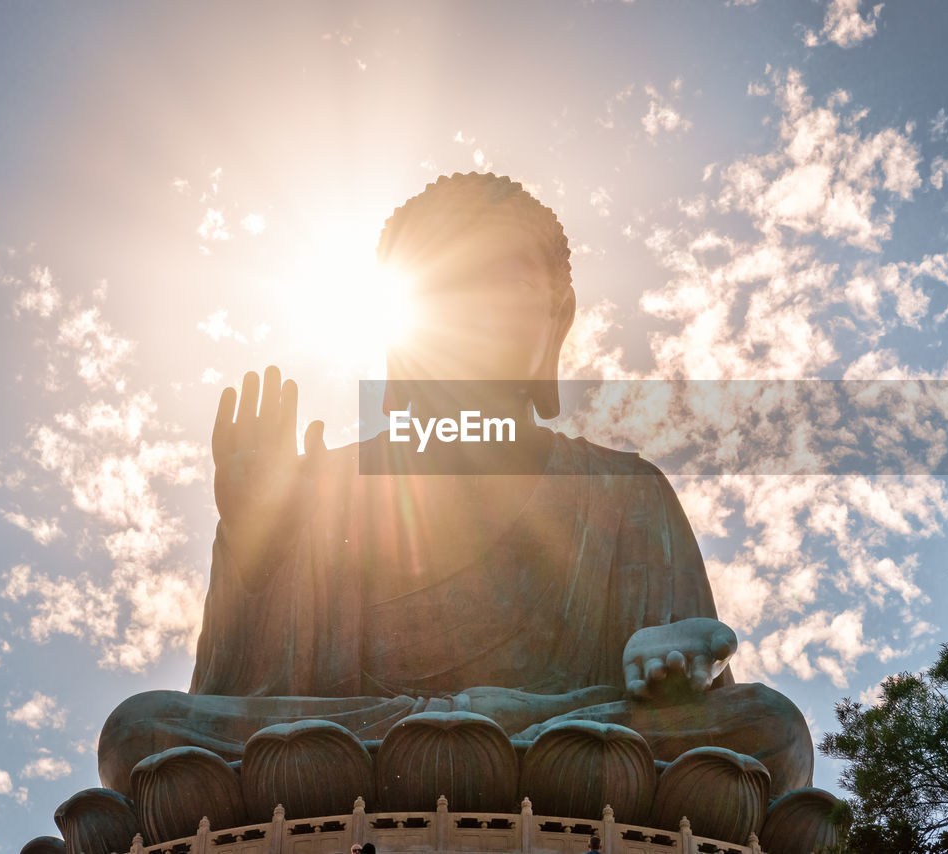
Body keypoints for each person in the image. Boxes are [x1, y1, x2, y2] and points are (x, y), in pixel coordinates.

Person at [97, 172, 813, 802]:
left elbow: (683, 705)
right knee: (140, 732)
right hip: (375, 752)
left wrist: (669, 665)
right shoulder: (327, 488)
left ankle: (476, 740)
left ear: (556, 319)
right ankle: (468, 740)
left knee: (769, 729)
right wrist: (256, 544)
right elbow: (229, 699)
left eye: (502, 276)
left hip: (570, 741)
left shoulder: (624, 489)